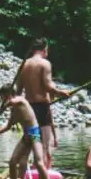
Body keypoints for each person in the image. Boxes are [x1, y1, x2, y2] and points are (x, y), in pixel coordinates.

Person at [0, 83, 55, 179]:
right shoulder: (13, 111)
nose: (2, 100)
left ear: (8, 95)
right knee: (13, 162)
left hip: (34, 134)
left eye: (2, 98)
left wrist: (1, 109)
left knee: (39, 162)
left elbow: (12, 102)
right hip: (26, 136)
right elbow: (8, 127)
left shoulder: (21, 100)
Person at [14, 37, 70, 170]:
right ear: (45, 49)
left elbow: (18, 90)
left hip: (28, 109)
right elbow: (48, 86)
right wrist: (61, 92)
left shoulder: (24, 64)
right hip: (41, 108)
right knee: (44, 147)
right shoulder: (45, 64)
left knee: (29, 146)